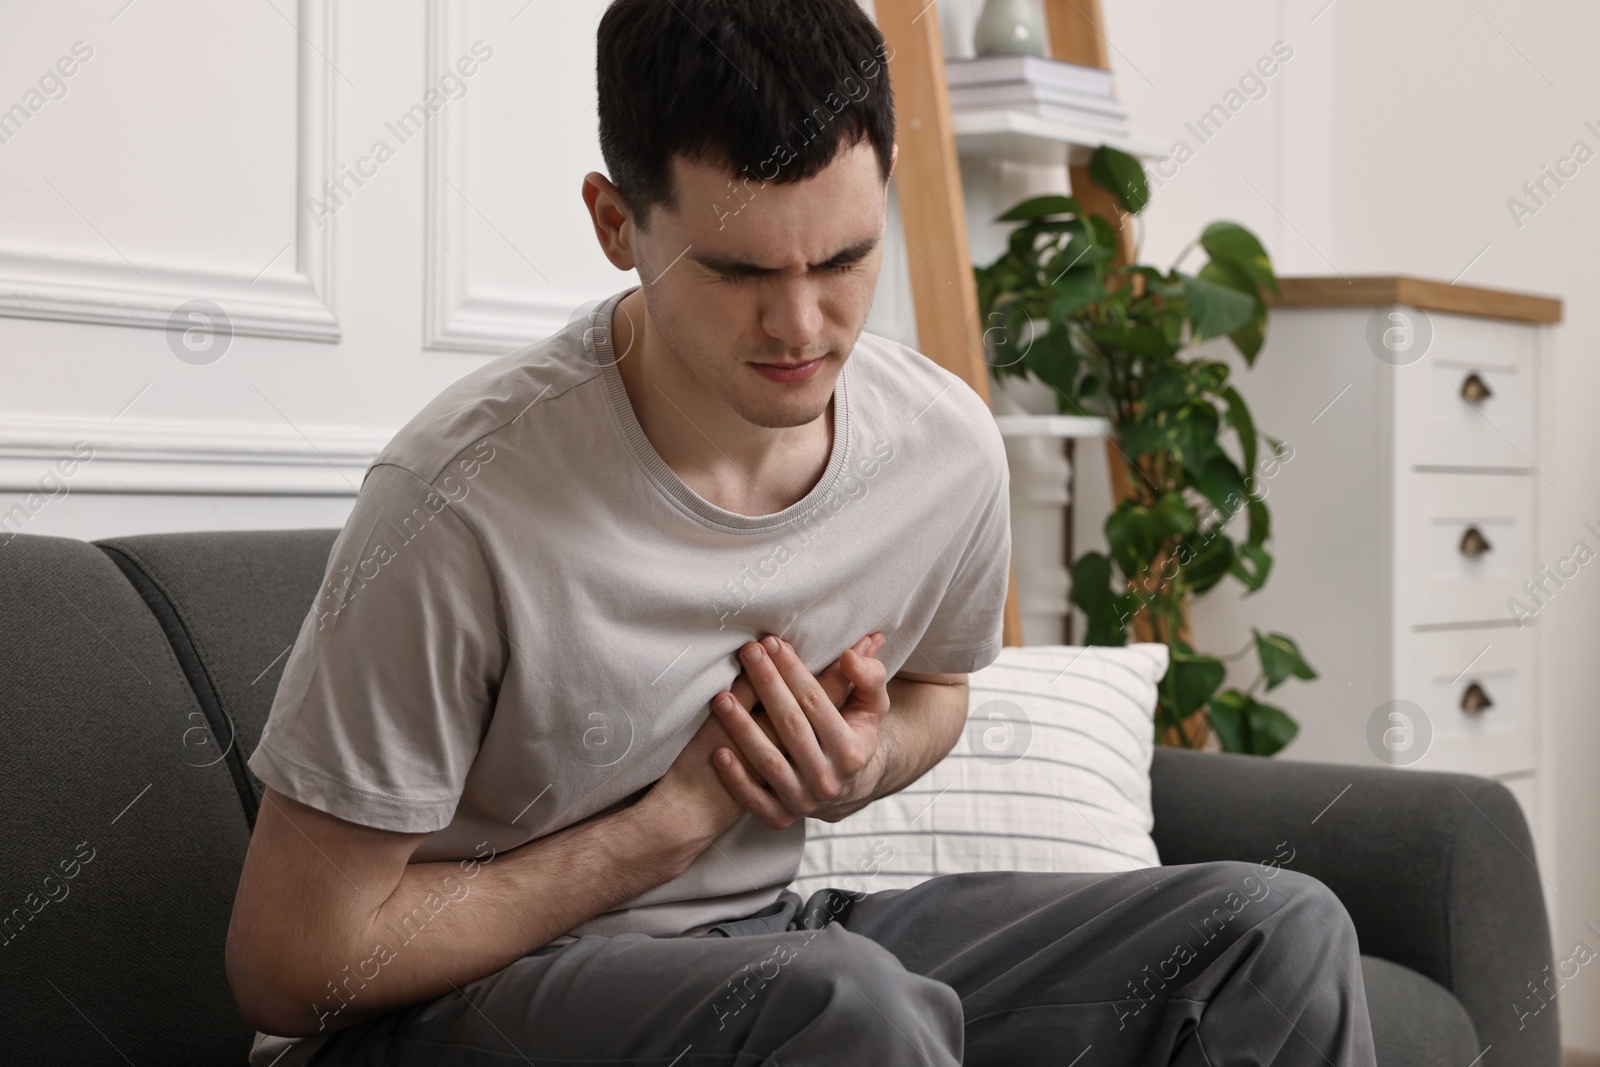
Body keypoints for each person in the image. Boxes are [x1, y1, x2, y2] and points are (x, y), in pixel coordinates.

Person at [228, 2, 1376, 1063]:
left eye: (843, 260)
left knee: (1270, 931)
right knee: (844, 1006)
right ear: (615, 222)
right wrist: (657, 834)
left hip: (760, 948)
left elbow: (938, 687)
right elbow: (290, 962)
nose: (800, 324)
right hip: (443, 1014)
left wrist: (867, 760)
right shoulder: (459, 497)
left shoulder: (939, 447)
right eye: (736, 271)